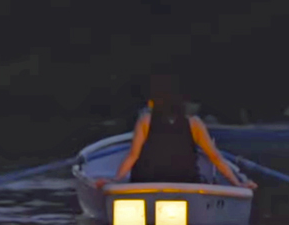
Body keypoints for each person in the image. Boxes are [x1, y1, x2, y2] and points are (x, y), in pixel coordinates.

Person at [97, 75, 256, 189]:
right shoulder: (195, 123)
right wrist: (238, 184)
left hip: (147, 181)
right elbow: (215, 157)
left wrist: (115, 181)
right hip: (186, 182)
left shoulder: (145, 120)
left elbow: (133, 156)